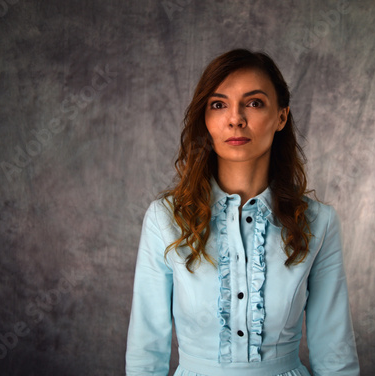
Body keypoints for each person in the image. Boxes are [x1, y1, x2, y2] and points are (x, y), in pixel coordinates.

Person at [125, 49, 360, 376]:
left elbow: (334, 350)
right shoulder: (165, 218)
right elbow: (145, 347)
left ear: (281, 117)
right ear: (205, 120)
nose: (235, 118)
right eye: (218, 105)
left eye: (254, 102)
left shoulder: (319, 223)